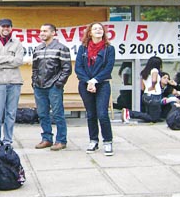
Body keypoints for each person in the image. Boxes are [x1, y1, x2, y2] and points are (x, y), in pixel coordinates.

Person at [75, 22, 115, 156]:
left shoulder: (109, 49)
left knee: (102, 114)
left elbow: (108, 68)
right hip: (85, 85)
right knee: (91, 114)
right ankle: (93, 140)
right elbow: (78, 68)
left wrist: (94, 80)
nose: (98, 30)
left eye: (100, 29)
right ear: (90, 32)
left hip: (102, 84)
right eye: (95, 29)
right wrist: (88, 81)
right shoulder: (83, 48)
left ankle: (108, 142)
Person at [0, 18, 24, 149]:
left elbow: (18, 61)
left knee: (11, 113)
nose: (5, 29)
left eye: (8, 26)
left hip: (14, 82)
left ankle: (8, 140)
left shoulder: (17, 43)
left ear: (11, 28)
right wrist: (8, 59)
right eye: (3, 26)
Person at [33, 23, 72, 151]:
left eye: (45, 31)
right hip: (39, 86)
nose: (42, 33)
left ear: (53, 33)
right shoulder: (38, 49)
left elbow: (67, 69)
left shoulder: (62, 48)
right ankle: (47, 139)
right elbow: (34, 68)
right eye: (41, 31)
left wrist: (58, 83)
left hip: (54, 86)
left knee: (57, 114)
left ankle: (61, 140)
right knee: (42, 114)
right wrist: (34, 82)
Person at [122, 56, 163, 123]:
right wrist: (153, 86)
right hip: (154, 95)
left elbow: (142, 87)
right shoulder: (155, 70)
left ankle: (129, 113)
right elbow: (154, 80)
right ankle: (130, 113)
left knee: (149, 115)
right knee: (153, 118)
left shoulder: (144, 72)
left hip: (146, 95)